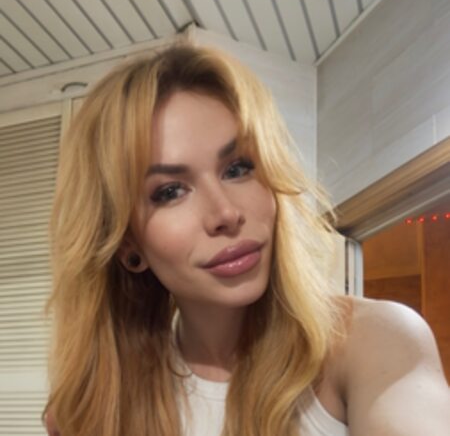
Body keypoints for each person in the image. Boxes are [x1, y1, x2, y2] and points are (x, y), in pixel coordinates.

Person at [43, 44, 450, 436]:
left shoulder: (374, 342)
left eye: (238, 168)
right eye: (170, 192)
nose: (225, 213)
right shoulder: (104, 402)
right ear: (129, 245)